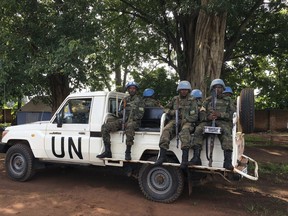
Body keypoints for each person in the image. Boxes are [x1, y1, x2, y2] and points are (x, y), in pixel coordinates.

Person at [190, 79, 236, 170]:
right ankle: (196, 158)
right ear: (212, 89)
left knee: (226, 132)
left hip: (222, 121)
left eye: (219, 87)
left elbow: (232, 114)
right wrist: (208, 117)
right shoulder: (207, 100)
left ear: (223, 89)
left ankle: (227, 161)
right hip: (209, 121)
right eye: (215, 87)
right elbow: (202, 113)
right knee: (199, 129)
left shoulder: (228, 100)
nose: (217, 89)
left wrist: (220, 115)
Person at [155, 80, 199, 169]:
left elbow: (195, 116)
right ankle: (162, 156)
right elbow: (166, 109)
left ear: (188, 90)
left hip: (188, 121)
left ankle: (184, 160)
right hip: (175, 120)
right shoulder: (175, 99)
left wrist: (185, 119)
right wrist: (172, 112)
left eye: (185, 90)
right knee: (166, 130)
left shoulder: (192, 100)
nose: (183, 91)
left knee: (185, 131)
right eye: (182, 90)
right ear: (179, 90)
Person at [97, 81, 145, 160]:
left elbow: (140, 115)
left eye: (133, 88)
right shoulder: (125, 100)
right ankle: (107, 151)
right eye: (130, 88)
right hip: (123, 120)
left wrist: (129, 121)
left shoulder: (140, 100)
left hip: (134, 122)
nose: (132, 90)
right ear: (128, 90)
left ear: (136, 90)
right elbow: (119, 112)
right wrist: (121, 114)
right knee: (105, 127)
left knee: (129, 127)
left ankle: (128, 152)